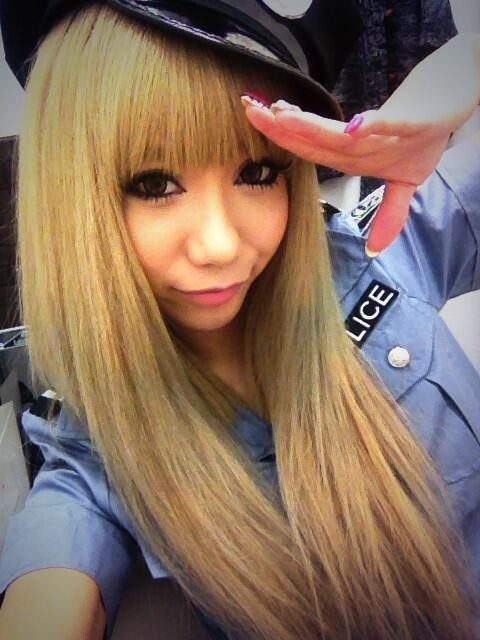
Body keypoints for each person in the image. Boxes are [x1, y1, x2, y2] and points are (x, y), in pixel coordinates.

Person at [0, 2, 479, 639]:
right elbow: (50, 580)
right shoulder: (99, 444)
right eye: (154, 184)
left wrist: (465, 68)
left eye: (256, 172)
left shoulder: (386, 251)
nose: (221, 244)